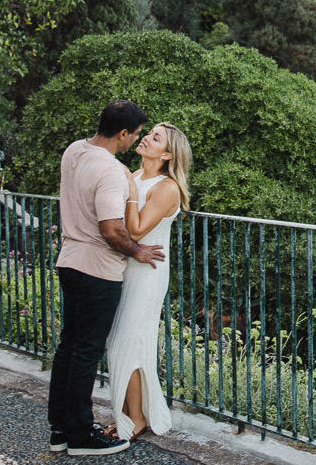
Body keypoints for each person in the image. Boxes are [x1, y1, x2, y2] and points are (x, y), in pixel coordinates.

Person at [48, 100, 165, 457]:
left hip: (69, 260)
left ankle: (61, 429)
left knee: (69, 346)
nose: (138, 139)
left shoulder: (74, 151)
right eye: (138, 133)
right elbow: (112, 230)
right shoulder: (112, 171)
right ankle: (82, 435)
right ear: (123, 134)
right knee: (86, 351)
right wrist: (139, 251)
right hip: (97, 270)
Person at [105, 122, 192, 442]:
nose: (146, 138)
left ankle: (137, 418)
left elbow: (138, 230)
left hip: (147, 275)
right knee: (129, 343)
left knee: (124, 343)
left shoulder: (166, 187)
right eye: (149, 133)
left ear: (167, 154)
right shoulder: (137, 176)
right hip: (125, 267)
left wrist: (128, 190)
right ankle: (130, 414)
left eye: (156, 138)